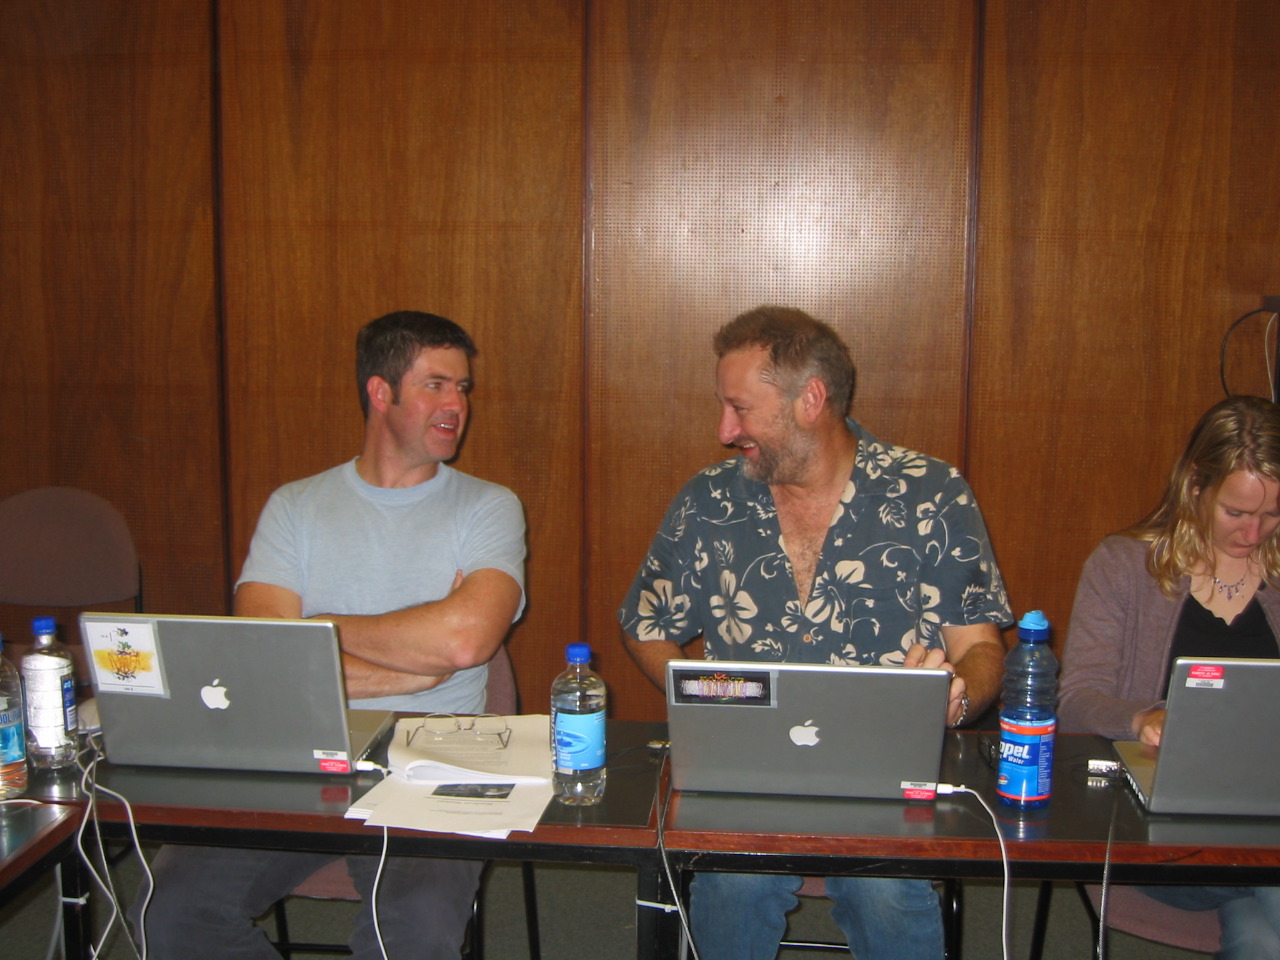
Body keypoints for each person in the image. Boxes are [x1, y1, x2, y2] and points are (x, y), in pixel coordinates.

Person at [618, 306, 1011, 960]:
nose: (724, 431)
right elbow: (644, 625)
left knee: (886, 893)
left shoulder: (930, 494)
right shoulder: (709, 501)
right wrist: (704, 696)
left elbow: (981, 648)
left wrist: (957, 695)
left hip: (889, 776)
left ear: (811, 400)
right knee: (732, 884)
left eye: (740, 409)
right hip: (744, 773)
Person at [134, 311, 527, 959]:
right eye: (435, 385)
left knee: (414, 933)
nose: (457, 405)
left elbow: (465, 643)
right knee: (171, 912)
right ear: (380, 392)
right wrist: (412, 666)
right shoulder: (296, 507)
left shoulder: (489, 507)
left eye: (462, 388)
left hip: (440, 754)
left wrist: (318, 629)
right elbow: (267, 652)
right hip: (301, 746)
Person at [1058, 394, 1280, 959]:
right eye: (1237, 513)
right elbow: (1077, 700)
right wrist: (1142, 718)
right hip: (1163, 833)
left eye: (1273, 514)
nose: (1254, 533)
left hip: (1268, 814)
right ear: (1195, 486)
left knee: (1261, 939)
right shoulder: (1125, 566)